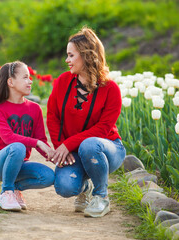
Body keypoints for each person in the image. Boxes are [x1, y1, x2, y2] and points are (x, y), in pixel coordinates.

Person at [46, 27, 126, 218]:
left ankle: (101, 197)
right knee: (64, 187)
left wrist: (69, 143)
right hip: (73, 152)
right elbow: (52, 116)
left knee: (89, 145)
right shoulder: (63, 81)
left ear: (86, 56)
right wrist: (61, 148)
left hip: (106, 148)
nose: (67, 60)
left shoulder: (111, 89)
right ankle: (85, 187)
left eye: (71, 55)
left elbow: (103, 129)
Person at [0, 60, 55, 211]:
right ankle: (6, 192)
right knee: (17, 147)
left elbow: (41, 140)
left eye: (29, 77)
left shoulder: (35, 109)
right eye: (25, 77)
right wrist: (36, 143)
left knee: (48, 176)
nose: (30, 81)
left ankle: (15, 189)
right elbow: (9, 139)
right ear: (10, 82)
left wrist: (53, 156)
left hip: (19, 164)